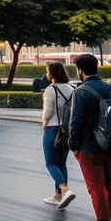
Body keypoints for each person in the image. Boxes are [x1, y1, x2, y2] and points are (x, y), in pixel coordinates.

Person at [68, 54, 111, 221]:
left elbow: (75, 122)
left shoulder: (80, 92)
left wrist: (74, 145)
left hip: (89, 146)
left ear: (80, 70)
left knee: (96, 187)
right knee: (109, 183)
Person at [39, 62, 77, 210]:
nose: (46, 74)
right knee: (61, 163)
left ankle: (65, 190)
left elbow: (48, 111)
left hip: (53, 128)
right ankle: (58, 196)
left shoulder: (51, 89)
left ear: (53, 73)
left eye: (47, 71)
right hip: (66, 130)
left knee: (50, 163)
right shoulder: (71, 89)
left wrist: (44, 123)